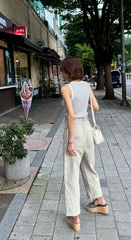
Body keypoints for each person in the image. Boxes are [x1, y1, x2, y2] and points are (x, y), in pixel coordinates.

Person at [60, 56, 108, 232]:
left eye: (62, 69)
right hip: (87, 128)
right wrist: (83, 102)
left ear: (68, 71)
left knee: (71, 172)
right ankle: (100, 201)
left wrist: (70, 141)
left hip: (75, 130)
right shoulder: (86, 86)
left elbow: (71, 116)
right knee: (89, 166)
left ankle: (74, 215)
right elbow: (95, 107)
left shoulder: (66, 88)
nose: (61, 72)